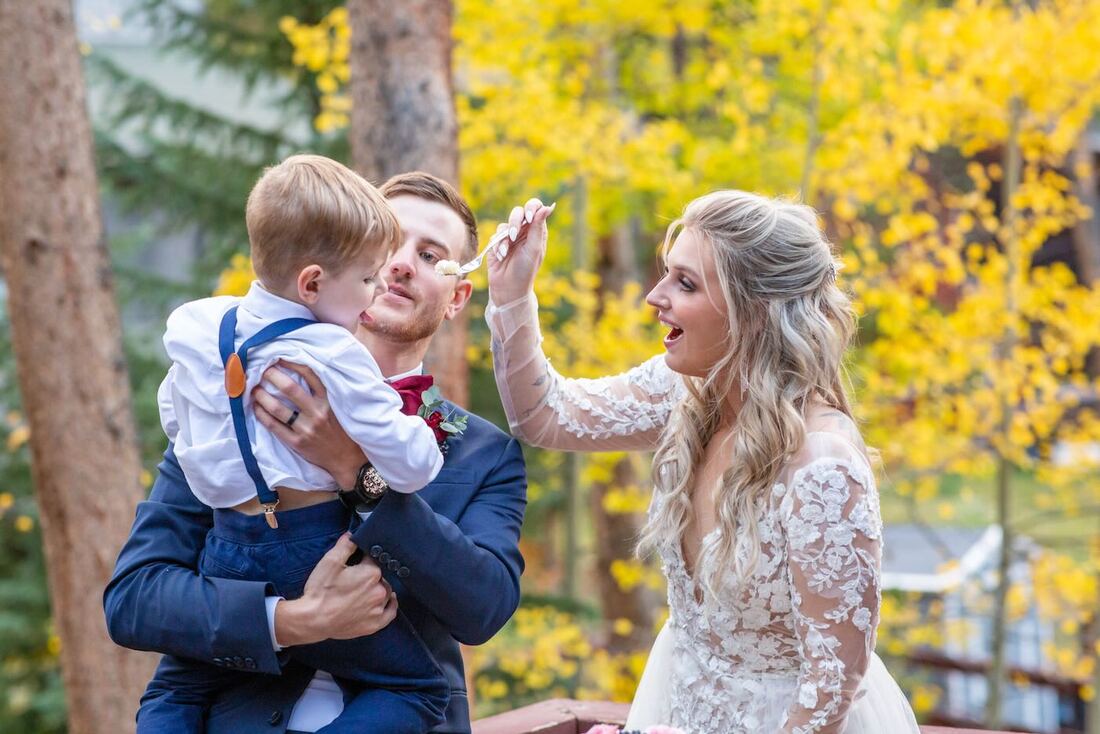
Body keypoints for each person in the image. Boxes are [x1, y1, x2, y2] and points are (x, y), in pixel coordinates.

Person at [105, 171, 527, 734]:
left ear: (458, 298)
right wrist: (294, 621)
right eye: (390, 243)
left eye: (431, 256)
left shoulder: (483, 454)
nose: (400, 264)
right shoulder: (238, 396)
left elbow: (484, 608)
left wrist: (354, 469)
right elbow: (135, 598)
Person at [486, 191, 921, 733]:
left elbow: (831, 694)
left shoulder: (823, 467)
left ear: (754, 312)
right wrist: (511, 294)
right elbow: (544, 416)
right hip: (680, 702)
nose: (654, 297)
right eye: (666, 275)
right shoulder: (684, 392)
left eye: (684, 283)